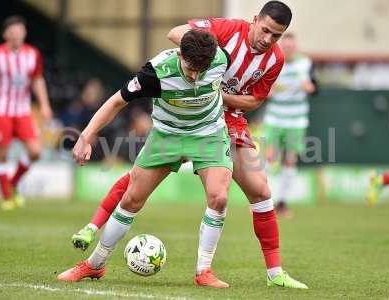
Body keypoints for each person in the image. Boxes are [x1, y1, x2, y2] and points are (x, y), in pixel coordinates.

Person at [71, 0, 308, 289]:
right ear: (254, 19)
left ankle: (269, 273)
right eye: (266, 31)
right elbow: (175, 33)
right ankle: (94, 255)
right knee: (134, 191)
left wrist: (213, 94)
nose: (268, 40)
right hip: (170, 129)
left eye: (277, 36)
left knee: (253, 191)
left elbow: (255, 100)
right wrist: (87, 135)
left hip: (217, 124)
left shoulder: (268, 60)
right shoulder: (197, 49)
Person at [58, 30, 234, 288]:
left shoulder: (220, 58)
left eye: (201, 70)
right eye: (190, 68)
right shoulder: (155, 72)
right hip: (167, 135)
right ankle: (94, 265)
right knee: (131, 199)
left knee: (219, 197)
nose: (195, 75)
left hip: (209, 133)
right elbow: (116, 102)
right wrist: (87, 135)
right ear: (180, 54)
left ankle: (204, 271)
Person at [0, 15, 52, 210]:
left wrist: (44, 105)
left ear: (24, 32)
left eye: (20, 30)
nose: (16, 33)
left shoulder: (32, 54)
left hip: (23, 111)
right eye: (12, 31)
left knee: (35, 151)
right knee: (3, 154)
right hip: (1, 110)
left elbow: (37, 80)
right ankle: (7, 196)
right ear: (5, 34)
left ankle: (13, 182)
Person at [263, 32, 316, 217]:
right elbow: (263, 87)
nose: (288, 49)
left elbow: (314, 88)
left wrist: (309, 86)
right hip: (275, 117)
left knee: (290, 160)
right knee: (269, 157)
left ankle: (283, 203)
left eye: (290, 47)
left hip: (296, 119)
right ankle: (263, 201)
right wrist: (267, 92)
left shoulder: (306, 63)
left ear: (295, 47)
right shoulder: (272, 62)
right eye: (284, 47)